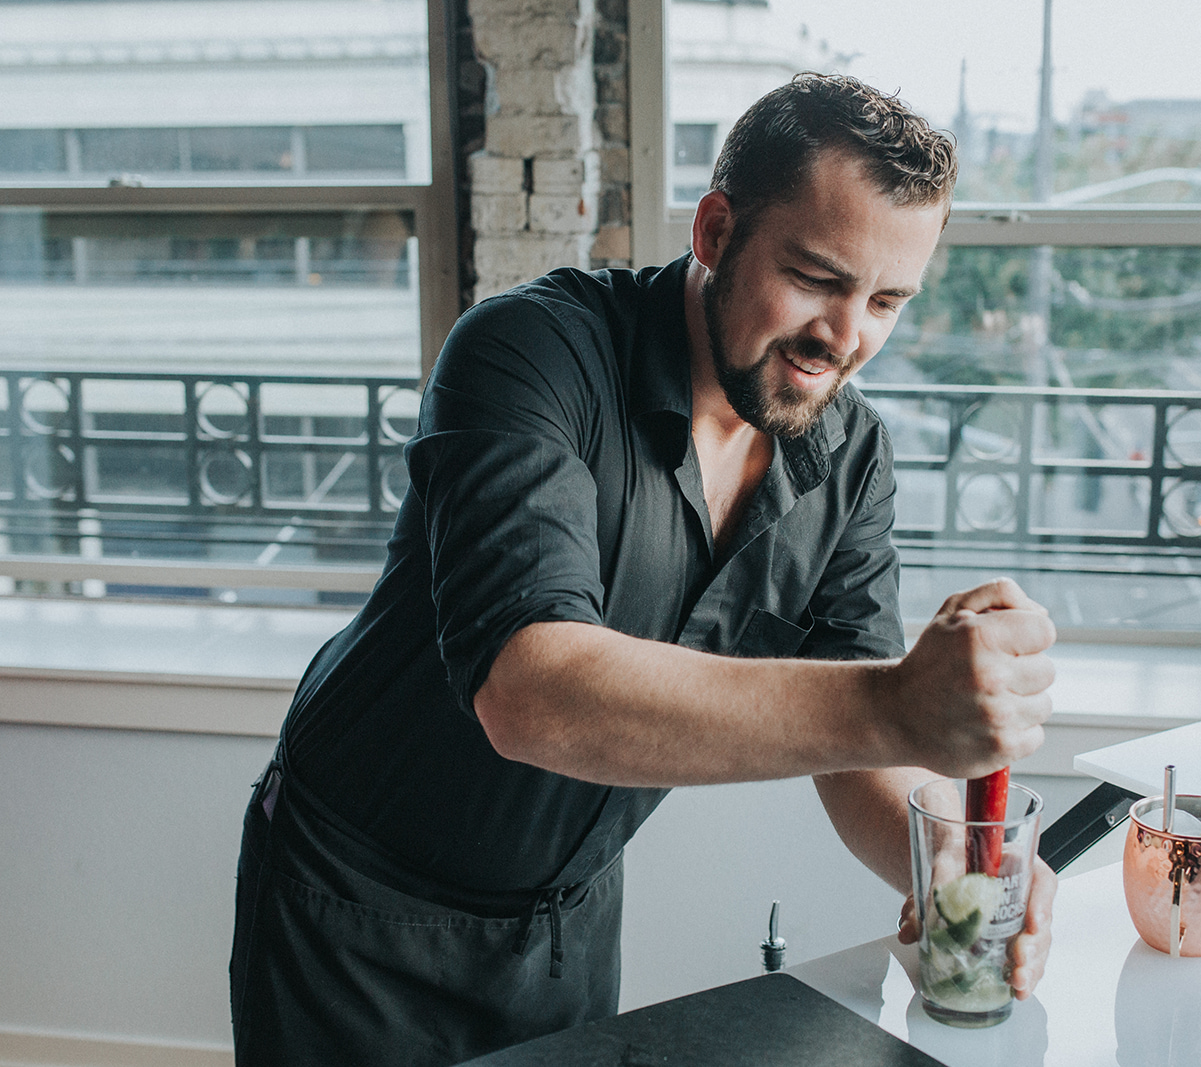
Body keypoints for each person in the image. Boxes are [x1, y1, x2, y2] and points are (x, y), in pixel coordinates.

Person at [229, 72, 1058, 1066]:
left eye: (885, 300)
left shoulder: (852, 456)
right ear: (714, 230)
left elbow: (862, 749)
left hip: (566, 918)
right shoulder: (528, 351)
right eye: (815, 278)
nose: (845, 339)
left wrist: (945, 861)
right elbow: (530, 692)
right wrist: (896, 703)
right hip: (352, 905)